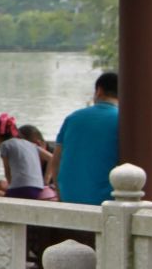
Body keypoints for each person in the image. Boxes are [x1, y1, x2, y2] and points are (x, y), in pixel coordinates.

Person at [47, 72, 119, 205]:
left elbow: (55, 162)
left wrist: (61, 196)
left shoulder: (72, 118)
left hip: (70, 199)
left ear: (99, 91)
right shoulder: (122, 119)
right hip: (106, 203)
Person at [0, 114, 46, 199]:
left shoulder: (4, 145)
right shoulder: (30, 144)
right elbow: (51, 158)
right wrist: (46, 179)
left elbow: (7, 171)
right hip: (37, 188)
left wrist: (10, 186)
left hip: (19, 189)